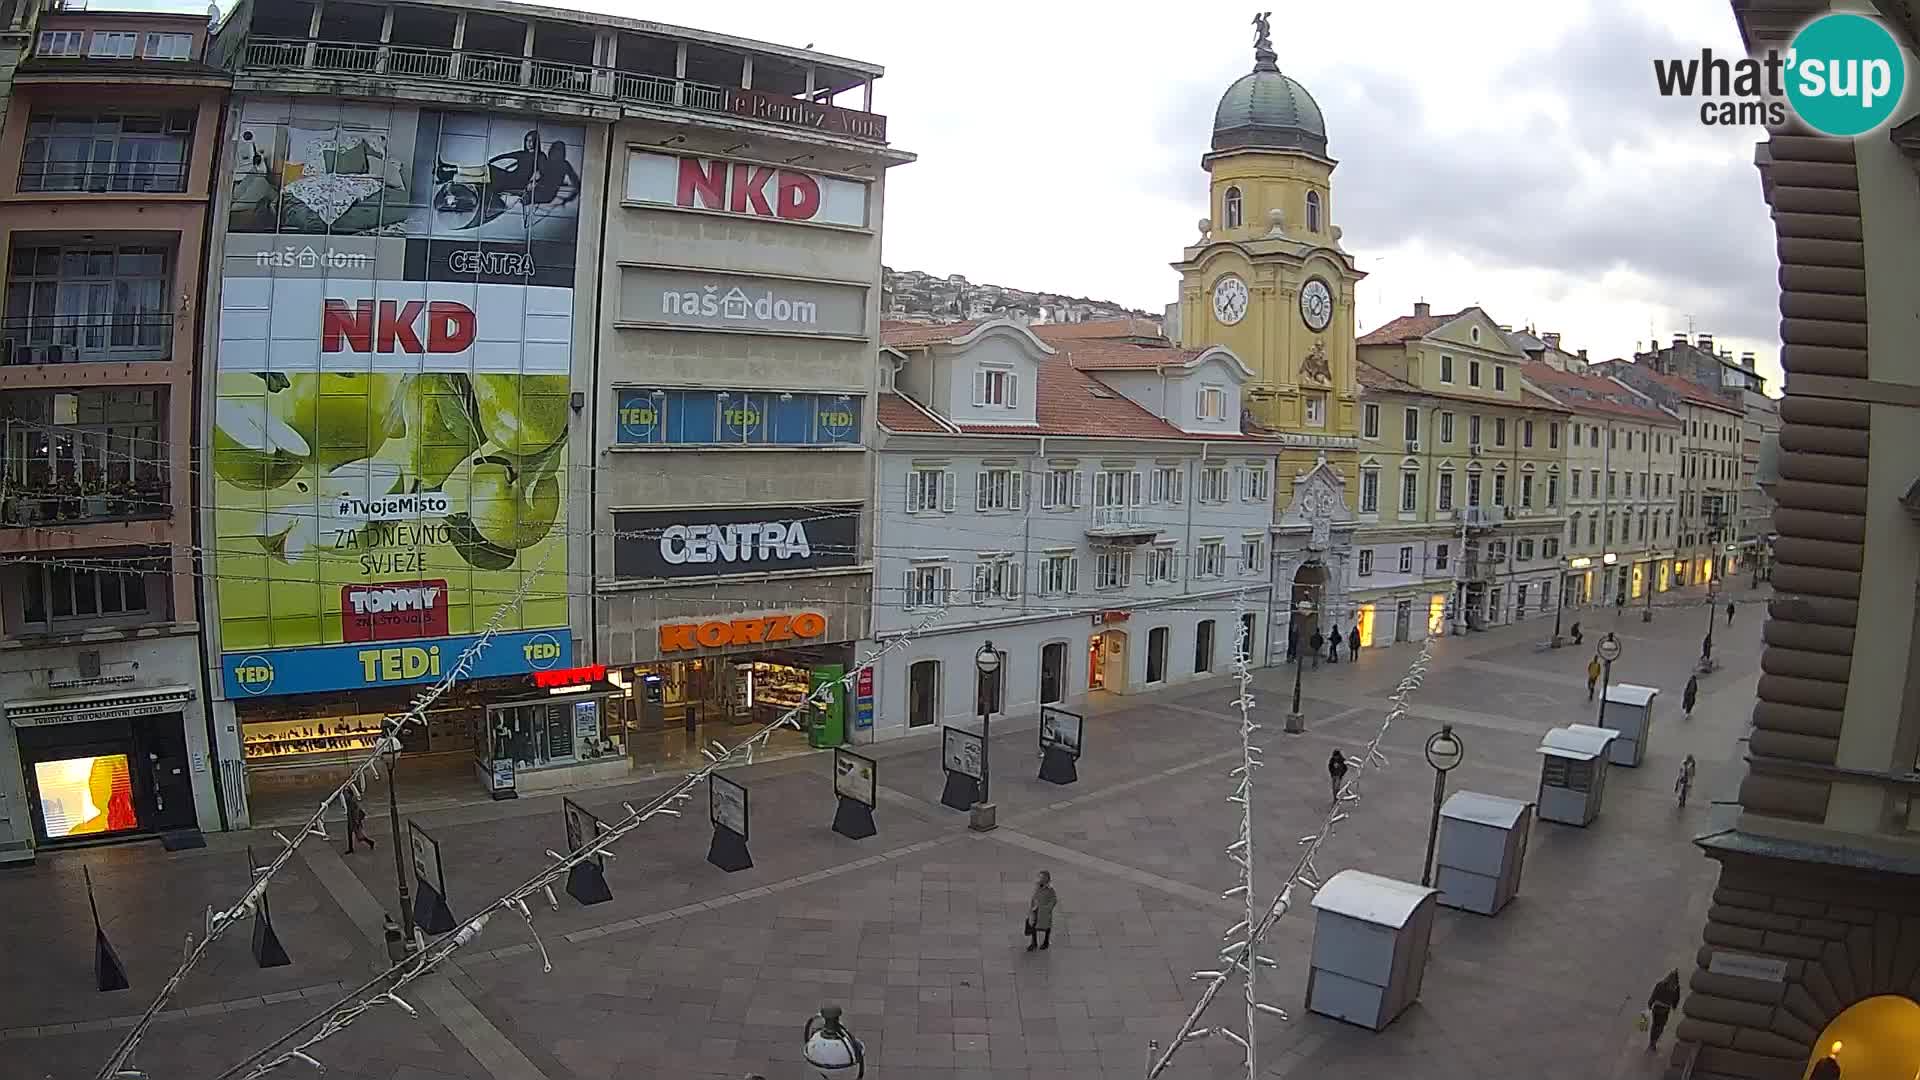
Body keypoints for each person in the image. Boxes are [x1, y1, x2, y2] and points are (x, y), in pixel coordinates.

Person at [1646, 969, 1682, 1051]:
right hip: (1665, 1010)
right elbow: (1676, 999)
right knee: (1661, 1027)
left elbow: (1654, 995)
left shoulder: (1660, 984)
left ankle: (1651, 1042)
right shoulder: (1676, 988)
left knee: (1654, 1025)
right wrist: (1674, 1006)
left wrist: (1650, 1003)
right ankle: (1654, 1041)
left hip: (1656, 1008)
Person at [1026, 871, 1057, 951]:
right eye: (1039, 877)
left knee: (1046, 927)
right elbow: (1034, 896)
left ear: (1046, 879)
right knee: (1033, 926)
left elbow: (1054, 900)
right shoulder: (1037, 886)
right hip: (1036, 910)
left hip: (1044, 912)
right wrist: (1032, 906)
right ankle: (1034, 943)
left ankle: (1046, 942)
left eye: (1041, 877)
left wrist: (1047, 908)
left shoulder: (1050, 889)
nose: (1039, 879)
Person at [344, 785, 374, 853]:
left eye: (346, 793)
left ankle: (370, 842)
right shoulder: (348, 801)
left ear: (349, 794)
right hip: (351, 819)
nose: (345, 795)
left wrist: (356, 821)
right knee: (350, 834)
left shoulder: (351, 801)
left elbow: (356, 811)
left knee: (359, 836)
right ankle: (351, 849)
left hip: (354, 820)